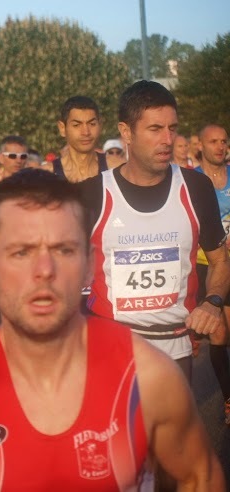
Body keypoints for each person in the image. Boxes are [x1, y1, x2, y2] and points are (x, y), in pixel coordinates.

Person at [0, 169, 225, 491]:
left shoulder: (151, 379)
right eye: (21, 252)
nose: (44, 270)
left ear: (91, 264)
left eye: (64, 249)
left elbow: (199, 479)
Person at [80, 80, 230, 383]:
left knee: (169, 432)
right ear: (126, 132)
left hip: (174, 349)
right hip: (111, 347)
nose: (167, 139)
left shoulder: (196, 188)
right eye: (155, 129)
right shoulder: (92, 193)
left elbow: (220, 261)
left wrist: (212, 302)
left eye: (172, 128)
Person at [194, 124, 230, 424]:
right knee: (218, 332)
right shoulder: (189, 180)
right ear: (200, 145)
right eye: (213, 141)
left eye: (224, 141)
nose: (220, 146)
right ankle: (229, 397)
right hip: (204, 263)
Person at [49, 96, 107, 181]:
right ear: (62, 128)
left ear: (100, 125)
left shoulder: (117, 169)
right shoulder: (47, 175)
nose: (86, 132)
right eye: (76, 125)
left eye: (92, 124)